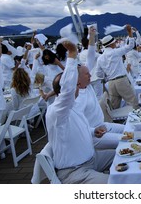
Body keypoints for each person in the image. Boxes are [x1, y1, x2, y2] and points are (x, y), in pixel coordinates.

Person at [46, 40, 114, 184]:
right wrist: (71, 55)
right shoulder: (57, 112)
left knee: (123, 155)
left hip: (92, 160)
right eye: (74, 84)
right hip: (75, 171)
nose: (77, 86)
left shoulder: (73, 107)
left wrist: (92, 131)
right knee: (115, 185)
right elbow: (67, 90)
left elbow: (77, 128)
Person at [95, 24, 139, 109]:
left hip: (111, 83)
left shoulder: (100, 58)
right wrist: (130, 32)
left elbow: (99, 75)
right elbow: (130, 46)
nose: (115, 43)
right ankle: (137, 121)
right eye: (114, 42)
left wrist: (107, 75)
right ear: (111, 44)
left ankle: (117, 122)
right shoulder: (115, 52)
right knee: (133, 103)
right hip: (121, 81)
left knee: (115, 108)